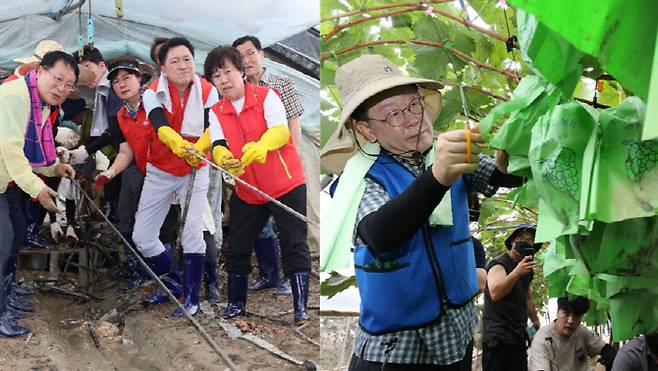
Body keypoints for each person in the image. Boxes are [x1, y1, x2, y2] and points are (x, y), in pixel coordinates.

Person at [321, 54, 521, 370]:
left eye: (414, 105)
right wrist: (438, 176)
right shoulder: (357, 178)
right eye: (394, 115)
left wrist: (509, 159)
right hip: (395, 349)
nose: (414, 118)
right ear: (367, 129)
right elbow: (379, 233)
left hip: (456, 336)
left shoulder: (445, 153)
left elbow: (503, 175)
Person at [202, 46, 310, 324]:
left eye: (228, 71)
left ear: (241, 71)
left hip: (286, 184)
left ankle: (301, 308)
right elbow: (217, 143)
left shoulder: (266, 96)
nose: (224, 79)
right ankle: (237, 305)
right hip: (248, 189)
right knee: (237, 245)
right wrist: (223, 156)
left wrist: (262, 146)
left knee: (293, 242)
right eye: (216, 75)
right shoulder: (216, 110)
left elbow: (280, 130)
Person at [132, 37, 219, 317]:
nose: (182, 65)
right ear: (163, 67)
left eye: (187, 59)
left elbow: (212, 125)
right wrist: (180, 145)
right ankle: (174, 279)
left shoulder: (207, 90)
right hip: (160, 170)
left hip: (196, 169)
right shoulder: (151, 91)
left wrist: (201, 148)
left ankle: (192, 298)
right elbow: (159, 125)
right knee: (142, 236)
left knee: (193, 232)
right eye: (174, 61)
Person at [0, 50, 77, 336]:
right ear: (41, 70)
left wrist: (55, 170)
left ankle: (6, 297)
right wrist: (38, 188)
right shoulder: (13, 97)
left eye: (69, 85)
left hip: (4, 182)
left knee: (16, 231)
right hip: (5, 176)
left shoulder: (40, 105)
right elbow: (10, 152)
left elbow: (35, 156)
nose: (62, 89)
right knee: (4, 240)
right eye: (58, 79)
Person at [233, 35, 307, 296]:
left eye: (250, 53)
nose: (247, 60)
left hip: (281, 166)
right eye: (240, 57)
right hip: (252, 167)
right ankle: (268, 274)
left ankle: (290, 277)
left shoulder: (279, 84)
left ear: (262, 54)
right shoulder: (236, 90)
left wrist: (293, 158)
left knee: (287, 225)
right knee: (259, 226)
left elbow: (293, 124)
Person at [70, 46, 123, 221]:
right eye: (81, 71)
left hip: (131, 153)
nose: (85, 75)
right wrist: (84, 148)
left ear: (101, 66)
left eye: (88, 67)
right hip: (121, 152)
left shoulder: (112, 88)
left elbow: (115, 128)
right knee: (112, 190)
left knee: (122, 199)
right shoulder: (101, 91)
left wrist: (86, 150)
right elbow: (100, 129)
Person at [482, 224, 543, 371]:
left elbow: (527, 297)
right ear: (512, 242)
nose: (526, 243)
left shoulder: (527, 270)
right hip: (498, 337)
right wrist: (516, 272)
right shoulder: (499, 264)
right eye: (522, 239)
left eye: (530, 241)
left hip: (518, 336)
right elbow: (495, 293)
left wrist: (536, 323)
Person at [529, 296, 617, 371]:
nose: (570, 321)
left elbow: (609, 351)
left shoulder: (581, 331)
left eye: (577, 315)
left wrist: (603, 363)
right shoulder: (542, 340)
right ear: (557, 312)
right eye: (566, 313)